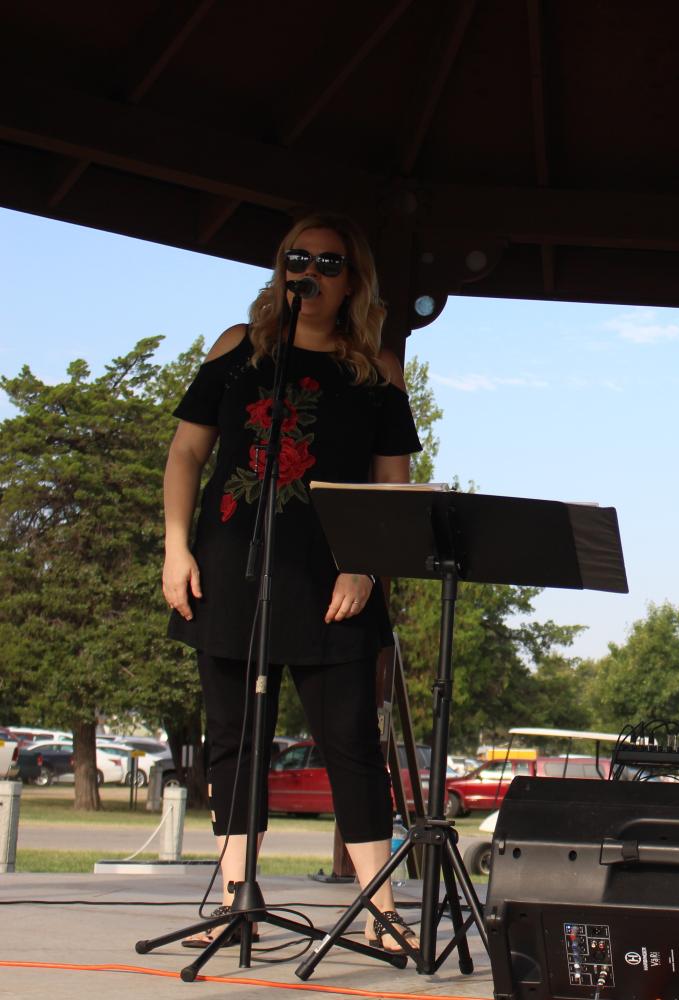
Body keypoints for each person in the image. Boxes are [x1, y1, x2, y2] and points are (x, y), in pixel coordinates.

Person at [161, 213, 422, 952]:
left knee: (350, 744)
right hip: (227, 573)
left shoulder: (375, 369)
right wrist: (176, 549)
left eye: (328, 262)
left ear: (353, 281)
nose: (309, 270)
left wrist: (365, 566)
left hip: (332, 585)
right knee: (234, 739)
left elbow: (393, 488)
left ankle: (382, 909)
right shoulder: (238, 348)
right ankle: (236, 897)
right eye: (296, 257)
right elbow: (186, 454)